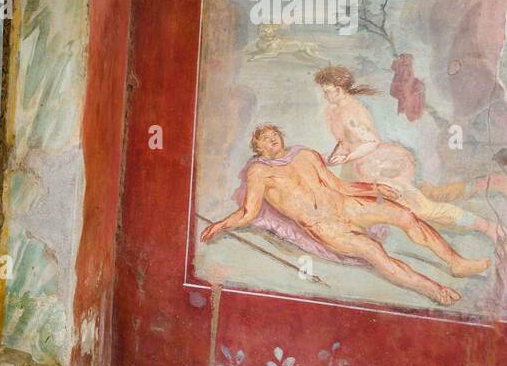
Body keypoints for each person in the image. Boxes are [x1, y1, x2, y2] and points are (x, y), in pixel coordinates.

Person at [201, 125, 490, 305]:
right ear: (258, 148)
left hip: (345, 204)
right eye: (264, 138)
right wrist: (222, 224)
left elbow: (338, 185)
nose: (271, 138)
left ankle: (457, 262)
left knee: (405, 216)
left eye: (273, 133)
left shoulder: (306, 154)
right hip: (325, 226)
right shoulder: (259, 171)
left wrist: (374, 186)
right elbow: (249, 212)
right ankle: (434, 289)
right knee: (375, 252)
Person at [315, 65, 503, 242]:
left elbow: (371, 142)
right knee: (425, 196)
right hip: (358, 167)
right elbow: (344, 141)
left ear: (339, 90)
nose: (325, 95)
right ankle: (483, 185)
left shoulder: (352, 111)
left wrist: (346, 158)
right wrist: (333, 157)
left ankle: (488, 227)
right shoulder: (332, 111)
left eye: (327, 91)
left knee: (423, 209)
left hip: (378, 166)